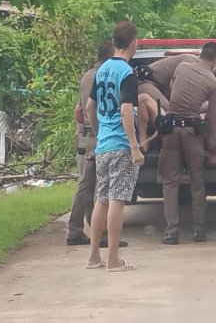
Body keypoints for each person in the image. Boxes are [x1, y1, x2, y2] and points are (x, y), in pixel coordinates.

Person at [85, 21, 145, 272]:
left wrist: (99, 134)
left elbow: (89, 107)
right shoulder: (127, 73)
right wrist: (134, 146)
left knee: (102, 199)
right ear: (134, 42)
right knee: (118, 200)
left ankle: (93, 257)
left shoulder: (102, 69)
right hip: (121, 144)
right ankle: (113, 260)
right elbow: (126, 109)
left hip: (103, 146)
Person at [159, 42, 216, 245]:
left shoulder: (182, 67)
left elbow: (171, 90)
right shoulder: (214, 83)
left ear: (200, 55)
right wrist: (213, 150)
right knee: (197, 181)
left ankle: (171, 231)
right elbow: (213, 121)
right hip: (192, 134)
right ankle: (199, 229)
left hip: (170, 131)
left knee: (170, 182)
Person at [66, 40, 117, 246]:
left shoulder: (86, 76)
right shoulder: (105, 76)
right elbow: (92, 108)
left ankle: (75, 229)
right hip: (101, 134)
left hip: (88, 134)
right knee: (102, 186)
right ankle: (102, 234)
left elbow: (81, 108)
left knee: (87, 184)